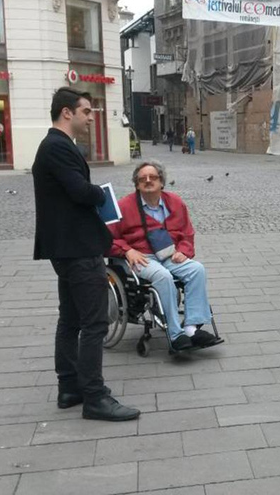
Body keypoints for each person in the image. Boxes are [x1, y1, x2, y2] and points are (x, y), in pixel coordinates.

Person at [32, 87, 140, 422]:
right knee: (94, 322)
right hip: (78, 249)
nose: (91, 117)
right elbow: (80, 191)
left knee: (71, 318)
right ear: (67, 112)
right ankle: (95, 397)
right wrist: (101, 195)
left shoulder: (55, 146)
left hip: (66, 247)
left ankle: (69, 387)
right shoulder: (57, 147)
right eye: (86, 111)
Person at [107, 161, 219, 352]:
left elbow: (187, 232)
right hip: (142, 257)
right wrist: (127, 250)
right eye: (142, 178)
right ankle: (175, 334)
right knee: (163, 276)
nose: (148, 181)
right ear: (136, 184)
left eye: (153, 177)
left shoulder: (175, 202)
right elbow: (107, 238)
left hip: (170, 254)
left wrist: (184, 250)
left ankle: (192, 328)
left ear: (161, 182)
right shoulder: (124, 206)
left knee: (197, 269)